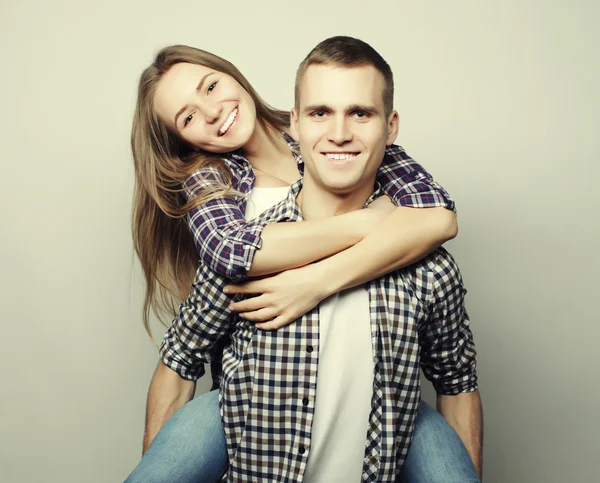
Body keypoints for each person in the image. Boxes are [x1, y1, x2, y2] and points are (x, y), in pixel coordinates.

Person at [127, 38, 479, 482]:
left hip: (381, 416)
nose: (211, 111)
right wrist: (373, 220)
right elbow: (231, 254)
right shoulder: (213, 182)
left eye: (210, 87)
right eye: (188, 116)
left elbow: (438, 216)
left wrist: (314, 282)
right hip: (254, 411)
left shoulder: (339, 140)